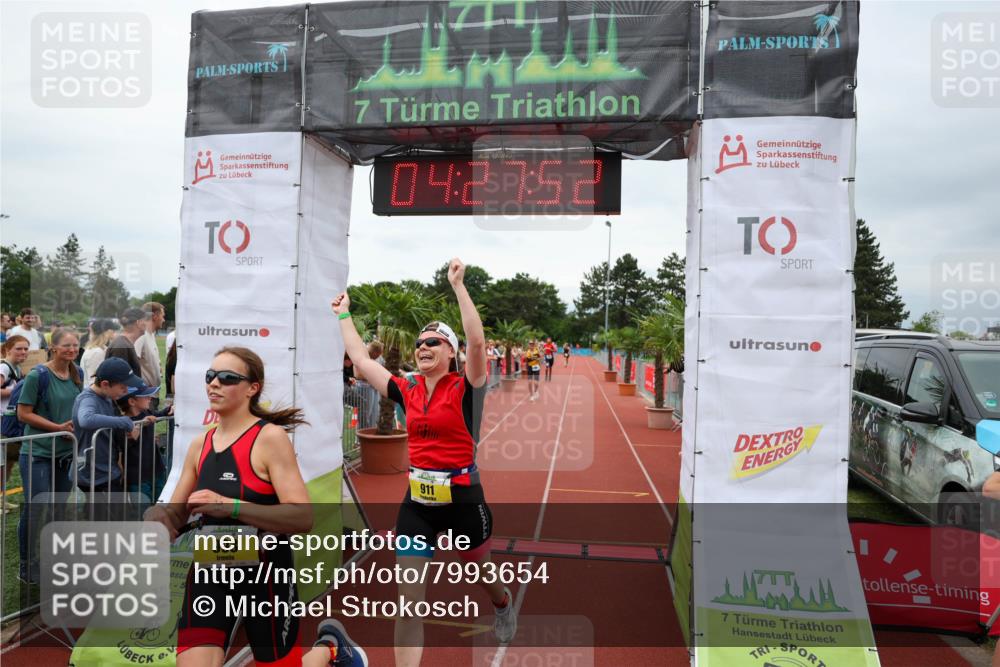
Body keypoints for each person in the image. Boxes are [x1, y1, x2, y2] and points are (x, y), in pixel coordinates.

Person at [333, 257, 517, 667]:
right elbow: (362, 363)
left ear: (451, 352)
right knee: (408, 603)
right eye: (419, 342)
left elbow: (479, 342)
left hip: (464, 502)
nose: (423, 347)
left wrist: (459, 286)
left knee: (481, 571)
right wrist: (343, 313)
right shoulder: (408, 390)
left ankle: (503, 603)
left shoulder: (468, 389)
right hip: (417, 507)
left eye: (433, 342)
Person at [145, 346, 366, 667]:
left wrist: (232, 507)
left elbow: (302, 516)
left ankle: (330, 647)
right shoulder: (200, 444)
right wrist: (161, 516)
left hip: (266, 575)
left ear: (253, 387)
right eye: (210, 376)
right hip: (211, 570)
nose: (214, 384)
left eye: (227, 377)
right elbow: (178, 513)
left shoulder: (270, 439)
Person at [16, 327, 82, 583]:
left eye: (75, 345)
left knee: (58, 509)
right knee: (35, 509)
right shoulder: (38, 375)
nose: (72, 349)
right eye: (67, 345)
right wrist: (58, 429)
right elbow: (24, 414)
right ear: (53, 348)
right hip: (38, 454)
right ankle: (26, 564)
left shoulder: (78, 373)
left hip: (65, 454)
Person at [73, 358, 143, 495]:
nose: (126, 390)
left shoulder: (107, 397)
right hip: (95, 476)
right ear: (105, 384)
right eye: (123, 387)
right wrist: (125, 422)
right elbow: (86, 419)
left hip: (106, 470)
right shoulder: (88, 399)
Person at [116, 378, 170, 503]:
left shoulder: (147, 412)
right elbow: (123, 446)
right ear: (132, 401)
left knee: (160, 506)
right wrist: (139, 427)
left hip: (157, 470)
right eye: (146, 396)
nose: (150, 398)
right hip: (138, 477)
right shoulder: (123, 422)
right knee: (142, 511)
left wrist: (168, 411)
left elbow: (157, 414)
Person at [1, 335, 29, 512]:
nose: (23, 352)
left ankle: (2, 499)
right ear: (8, 349)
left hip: (8, 421)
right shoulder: (4, 366)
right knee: (2, 464)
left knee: (7, 465)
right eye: (19, 348)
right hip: (2, 420)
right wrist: (16, 389)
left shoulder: (16, 368)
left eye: (26, 349)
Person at [135, 302, 164, 409]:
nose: (163, 319)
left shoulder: (151, 335)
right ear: (154, 316)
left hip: (152, 394)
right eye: (162, 316)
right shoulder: (141, 335)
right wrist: (142, 385)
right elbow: (132, 363)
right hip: (144, 395)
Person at [105, 307, 148, 375]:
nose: (147, 323)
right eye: (145, 320)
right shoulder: (121, 346)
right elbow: (118, 380)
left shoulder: (125, 343)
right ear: (138, 322)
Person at [80, 319, 119, 384]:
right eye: (113, 330)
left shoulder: (101, 349)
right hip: (95, 392)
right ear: (107, 331)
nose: (114, 332)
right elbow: (93, 380)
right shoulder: (97, 352)